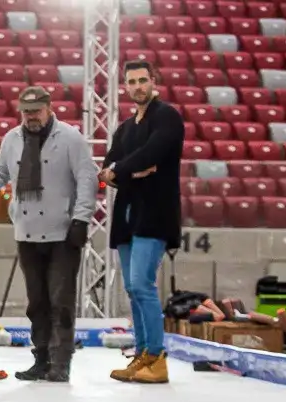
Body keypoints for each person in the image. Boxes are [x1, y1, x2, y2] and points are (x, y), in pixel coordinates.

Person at [0, 86, 98, 382]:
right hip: (26, 232)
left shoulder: (70, 138)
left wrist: (81, 219)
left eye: (36, 111)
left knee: (60, 301)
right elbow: (0, 173)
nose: (31, 117)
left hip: (63, 234)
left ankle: (60, 362)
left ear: (49, 109)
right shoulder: (12, 139)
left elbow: (87, 178)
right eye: (26, 112)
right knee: (37, 302)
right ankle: (41, 358)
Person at [99, 61, 184, 384]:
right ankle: (142, 353)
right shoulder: (125, 128)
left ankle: (156, 358)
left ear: (153, 81)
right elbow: (109, 167)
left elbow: (153, 153)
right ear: (125, 86)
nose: (137, 86)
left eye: (142, 80)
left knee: (141, 285)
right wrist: (131, 171)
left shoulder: (167, 117)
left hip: (155, 213)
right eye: (132, 81)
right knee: (132, 290)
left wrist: (122, 170)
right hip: (127, 215)